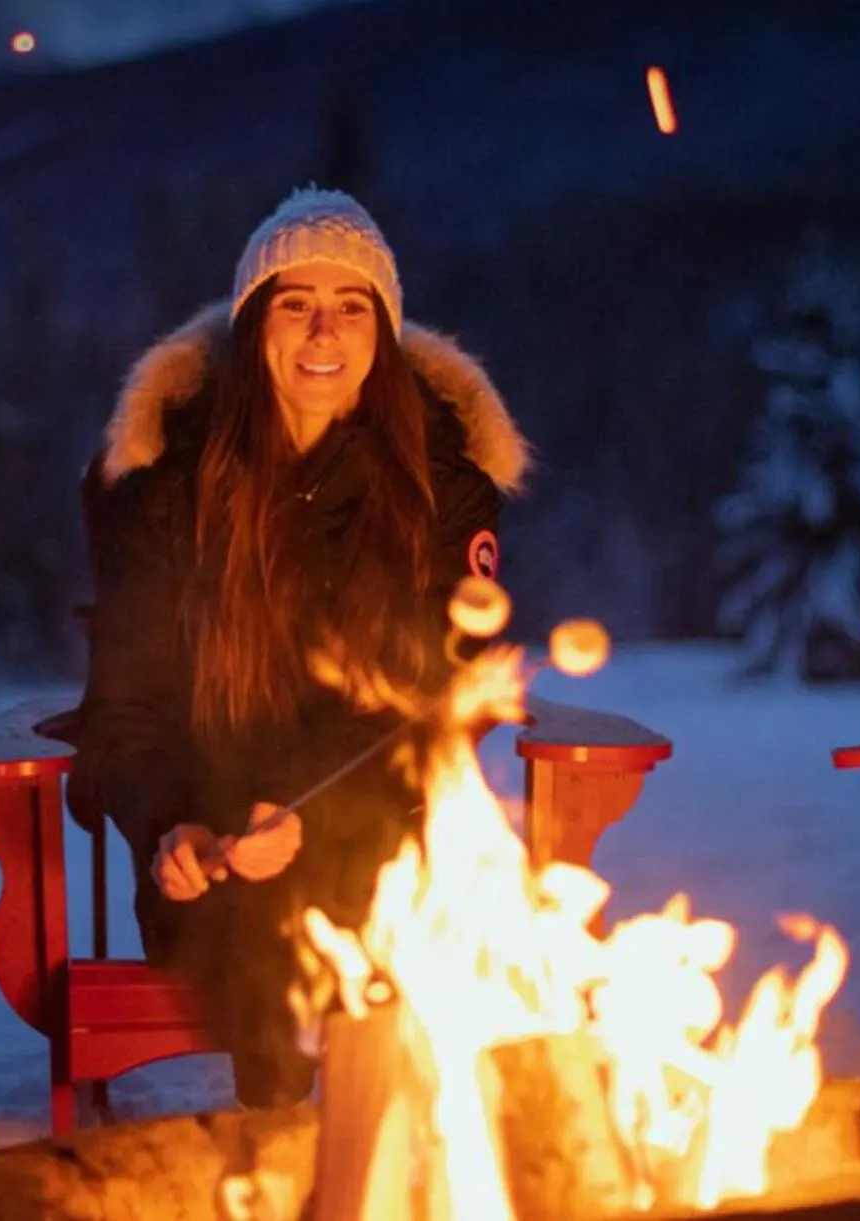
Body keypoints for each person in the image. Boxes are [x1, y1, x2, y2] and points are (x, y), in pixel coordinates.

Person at [72, 186, 527, 1107]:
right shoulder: (166, 493)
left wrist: (310, 814)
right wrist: (170, 827)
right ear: (253, 326)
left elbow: (439, 695)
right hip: (214, 849)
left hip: (385, 835)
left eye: (352, 307)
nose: (324, 332)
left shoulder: (443, 491)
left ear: (382, 333)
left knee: (340, 900)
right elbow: (124, 710)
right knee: (262, 912)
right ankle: (290, 1148)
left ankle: (370, 1154)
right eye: (296, 304)